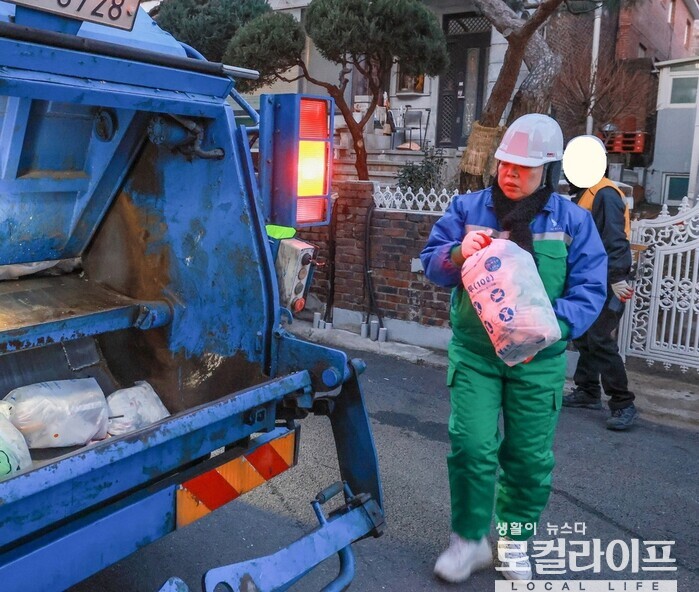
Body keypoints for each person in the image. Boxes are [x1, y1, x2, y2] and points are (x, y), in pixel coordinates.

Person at [420, 114, 607, 583]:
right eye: (506, 163)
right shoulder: (467, 209)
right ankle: (468, 541)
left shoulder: (573, 222)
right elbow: (433, 264)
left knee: (528, 458)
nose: (511, 173)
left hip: (539, 362)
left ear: (548, 169)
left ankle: (514, 541)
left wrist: (547, 326)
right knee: (471, 447)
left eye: (524, 167)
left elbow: (590, 289)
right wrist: (459, 252)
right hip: (477, 356)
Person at [561, 135, 637, 430]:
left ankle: (623, 403)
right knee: (585, 335)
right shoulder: (587, 193)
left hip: (608, 281)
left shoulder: (604, 194)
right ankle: (588, 391)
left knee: (599, 339)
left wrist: (617, 277)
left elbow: (615, 239)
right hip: (592, 278)